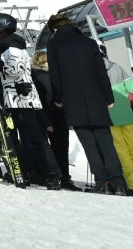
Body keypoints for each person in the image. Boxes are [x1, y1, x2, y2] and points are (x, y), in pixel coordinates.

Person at [46, 14, 127, 195]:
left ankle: (102, 182)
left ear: (54, 28)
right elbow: (101, 73)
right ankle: (119, 183)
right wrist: (109, 98)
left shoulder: (54, 45)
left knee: (89, 144)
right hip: (96, 98)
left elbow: (55, 75)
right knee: (106, 142)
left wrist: (58, 98)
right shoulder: (89, 43)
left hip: (73, 100)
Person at [0, 13, 61, 189]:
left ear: (1, 27)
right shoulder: (4, 45)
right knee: (21, 140)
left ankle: (52, 174)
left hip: (23, 99)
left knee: (36, 138)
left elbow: (14, 69)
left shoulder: (13, 44)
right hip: (13, 98)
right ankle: (28, 171)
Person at [98, 41, 133, 194]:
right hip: (127, 117)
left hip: (109, 118)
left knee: (122, 152)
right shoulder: (117, 67)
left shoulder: (91, 71)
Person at [32, 48, 78, 190]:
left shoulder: (33, 76)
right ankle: (63, 177)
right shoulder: (48, 77)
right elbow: (56, 97)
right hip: (55, 115)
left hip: (42, 116)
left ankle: (49, 174)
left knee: (45, 147)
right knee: (61, 148)